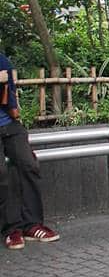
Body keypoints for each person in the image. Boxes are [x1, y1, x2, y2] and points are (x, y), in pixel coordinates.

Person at [0, 53, 60, 250]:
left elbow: (11, 100)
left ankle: (32, 224)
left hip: (8, 124)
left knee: (28, 164)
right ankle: (11, 229)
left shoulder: (2, 61)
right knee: (2, 173)